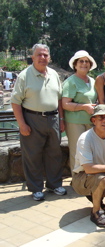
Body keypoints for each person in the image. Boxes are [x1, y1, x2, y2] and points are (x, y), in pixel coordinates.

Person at [11, 44, 66, 201]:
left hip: (54, 118)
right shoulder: (24, 76)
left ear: (49, 57)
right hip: (32, 118)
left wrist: (61, 119)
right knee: (32, 155)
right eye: (39, 55)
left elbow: (60, 99)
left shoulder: (54, 74)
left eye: (45, 55)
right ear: (33, 57)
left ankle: (54, 184)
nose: (43, 57)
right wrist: (22, 124)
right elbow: (15, 102)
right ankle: (36, 188)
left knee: (54, 154)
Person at [62, 50, 98, 174]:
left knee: (91, 150)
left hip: (91, 122)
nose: (84, 64)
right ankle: (77, 179)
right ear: (75, 65)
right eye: (81, 61)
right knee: (77, 151)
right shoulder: (70, 82)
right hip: (75, 123)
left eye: (86, 61)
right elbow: (65, 104)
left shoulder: (93, 81)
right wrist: (84, 107)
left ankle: (90, 178)